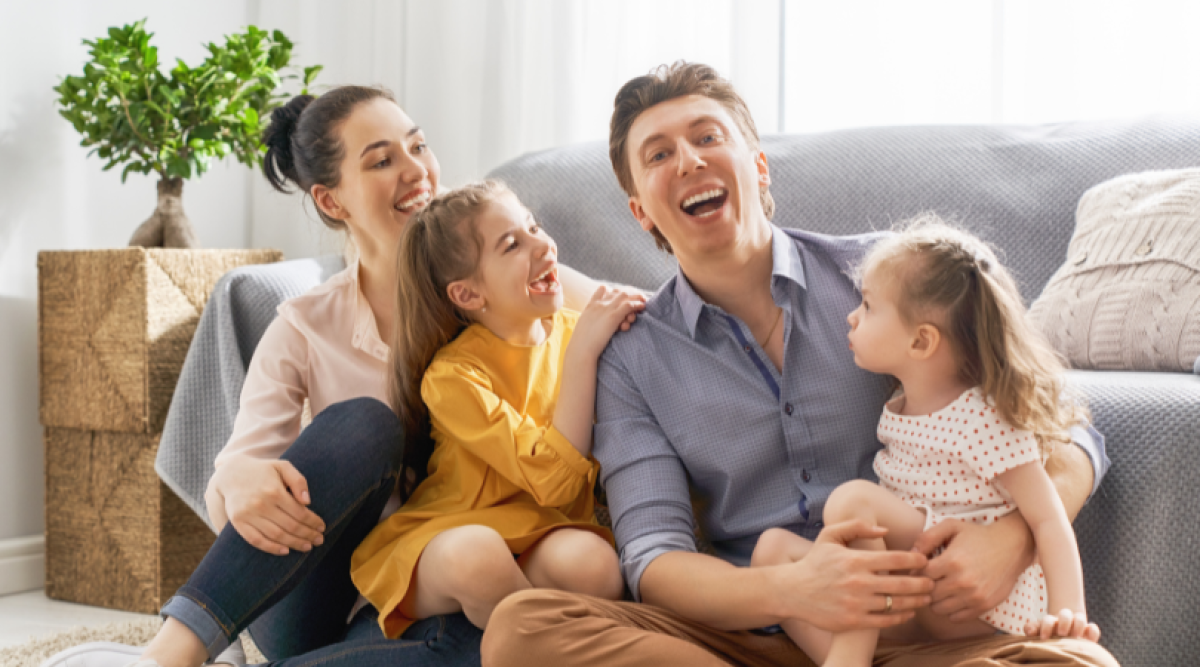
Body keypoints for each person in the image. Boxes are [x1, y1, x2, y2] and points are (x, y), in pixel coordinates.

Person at [481, 62, 1118, 667]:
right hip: (750, 636)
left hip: (933, 631)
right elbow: (654, 560)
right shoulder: (631, 357)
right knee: (523, 629)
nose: (689, 160)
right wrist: (795, 591)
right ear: (640, 211)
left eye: (707, 136)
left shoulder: (886, 276)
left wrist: (1012, 536)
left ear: (758, 168)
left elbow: (1065, 426)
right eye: (658, 154)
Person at [42, 86, 607, 667]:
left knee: (474, 641)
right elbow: (236, 485)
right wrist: (238, 475)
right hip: (326, 595)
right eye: (382, 160)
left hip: (459, 585)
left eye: (418, 146)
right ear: (332, 202)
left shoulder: (512, 280)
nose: (416, 171)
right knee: (365, 425)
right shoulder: (308, 327)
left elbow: (637, 312)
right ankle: (169, 655)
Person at [751, 218, 1101, 666]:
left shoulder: (980, 416)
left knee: (854, 501)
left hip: (972, 601)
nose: (852, 316)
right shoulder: (900, 404)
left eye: (869, 307)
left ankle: (850, 659)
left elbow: (1048, 519)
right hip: (914, 592)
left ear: (921, 341)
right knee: (772, 552)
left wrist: (1068, 619)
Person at [349, 181, 642, 638]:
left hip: (540, 530)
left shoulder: (575, 332)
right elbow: (553, 478)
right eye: (512, 244)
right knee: (479, 557)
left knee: (596, 566)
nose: (542, 244)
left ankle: (510, 632)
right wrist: (585, 351)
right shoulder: (451, 378)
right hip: (451, 536)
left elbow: (562, 502)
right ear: (468, 295)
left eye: (534, 227)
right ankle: (526, 642)